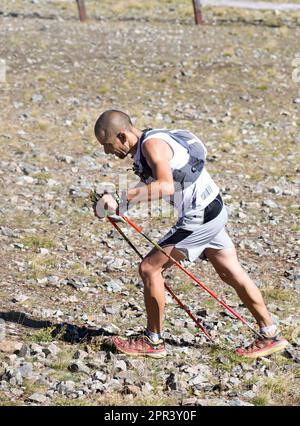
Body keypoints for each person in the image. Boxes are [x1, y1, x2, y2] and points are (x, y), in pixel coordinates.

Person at [92, 109, 288, 359]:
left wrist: (120, 196)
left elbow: (163, 185)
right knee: (230, 271)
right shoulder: (152, 140)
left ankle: (152, 341)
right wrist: (119, 206)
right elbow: (153, 183)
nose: (107, 152)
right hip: (214, 208)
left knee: (150, 268)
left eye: (108, 145)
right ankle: (270, 334)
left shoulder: (152, 146)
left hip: (200, 216)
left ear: (122, 135)